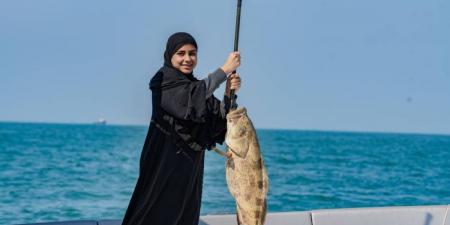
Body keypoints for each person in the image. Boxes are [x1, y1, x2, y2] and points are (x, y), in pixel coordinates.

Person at [121, 32, 241, 225]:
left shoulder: (196, 86)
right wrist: (224, 70)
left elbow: (218, 122)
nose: (187, 59)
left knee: (184, 215)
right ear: (170, 55)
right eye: (181, 53)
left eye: (192, 53)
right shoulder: (163, 81)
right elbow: (190, 100)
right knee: (154, 214)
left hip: (189, 169)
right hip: (164, 164)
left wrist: (229, 95)